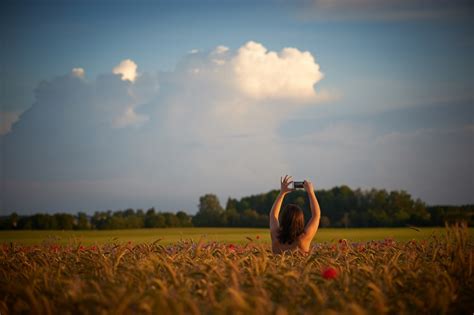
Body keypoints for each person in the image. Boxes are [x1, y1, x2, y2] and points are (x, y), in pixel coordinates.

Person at [269, 175, 321, 254]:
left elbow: (273, 215)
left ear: (283, 219)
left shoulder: (276, 237)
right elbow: (316, 215)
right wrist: (311, 192)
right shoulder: (303, 239)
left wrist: (282, 193)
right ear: (300, 220)